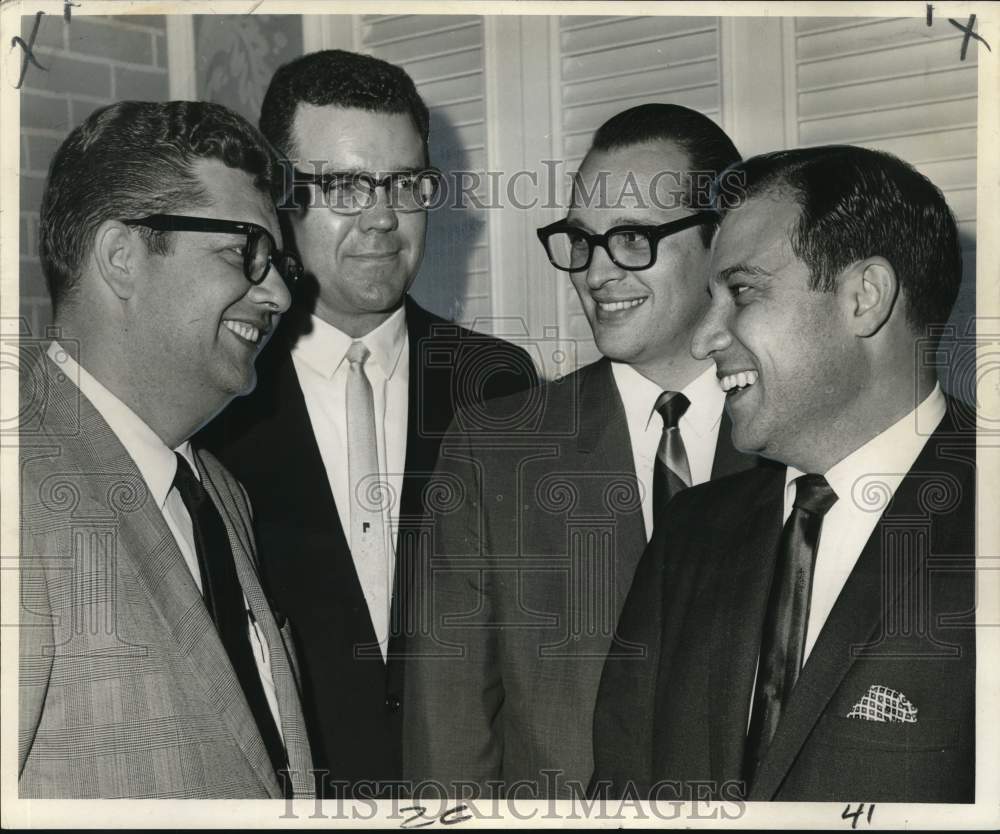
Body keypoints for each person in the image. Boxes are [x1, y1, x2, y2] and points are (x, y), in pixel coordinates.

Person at [198, 50, 538, 797]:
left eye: (406, 184)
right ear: (277, 196)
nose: (383, 217)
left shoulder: (499, 384)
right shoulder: (215, 394)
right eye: (346, 185)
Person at [592, 145, 975, 802]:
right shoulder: (689, 531)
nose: (704, 338)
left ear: (865, 297)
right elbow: (620, 793)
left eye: (740, 291)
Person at [403, 104, 762, 799]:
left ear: (721, 241)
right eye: (582, 241)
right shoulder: (493, 451)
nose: (596, 274)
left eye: (631, 239)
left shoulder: (795, 440)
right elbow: (446, 740)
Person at [18, 100, 314, 798]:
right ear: (122, 257)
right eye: (245, 251)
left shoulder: (219, 494)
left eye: (277, 264)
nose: (276, 293)